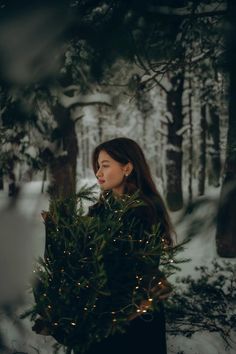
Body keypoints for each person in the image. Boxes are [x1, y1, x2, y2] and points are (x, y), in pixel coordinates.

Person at [86, 137, 176, 354]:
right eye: (98, 166)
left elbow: (139, 269)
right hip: (102, 312)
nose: (98, 173)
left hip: (134, 314)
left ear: (127, 167)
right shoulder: (99, 210)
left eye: (105, 166)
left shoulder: (144, 211)